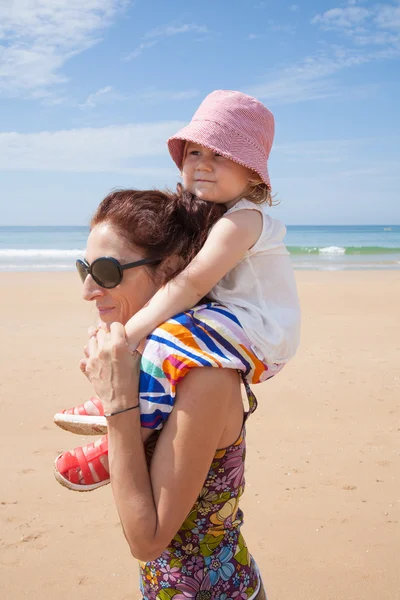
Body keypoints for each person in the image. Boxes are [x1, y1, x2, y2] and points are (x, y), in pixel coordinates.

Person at [55, 188, 272, 599]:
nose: (87, 290)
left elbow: (148, 540)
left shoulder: (205, 373)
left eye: (106, 271)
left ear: (171, 269)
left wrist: (119, 404)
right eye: (84, 268)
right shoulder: (157, 358)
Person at [54, 89, 300, 438]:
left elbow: (191, 285)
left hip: (261, 330)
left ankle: (134, 428)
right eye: (195, 152)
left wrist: (128, 334)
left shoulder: (242, 222)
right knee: (160, 330)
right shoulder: (209, 216)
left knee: (165, 335)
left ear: (253, 174)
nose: (203, 163)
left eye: (221, 154)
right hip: (229, 321)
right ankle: (118, 399)